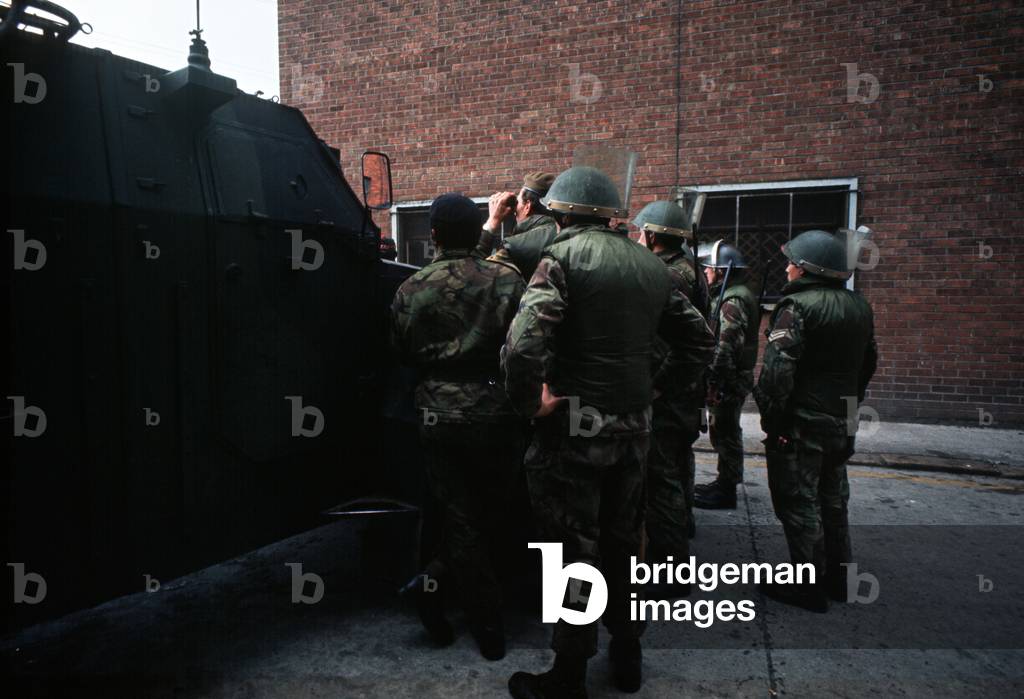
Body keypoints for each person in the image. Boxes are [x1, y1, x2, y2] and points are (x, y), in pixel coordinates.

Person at [502, 168, 714, 697]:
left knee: (575, 551)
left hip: (575, 433)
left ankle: (569, 673)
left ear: (562, 211)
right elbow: (700, 342)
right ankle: (627, 650)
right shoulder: (652, 265)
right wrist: (657, 389)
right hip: (635, 429)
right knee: (625, 543)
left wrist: (532, 402)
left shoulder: (562, 259)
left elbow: (524, 343)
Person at [390, 192, 526, 659]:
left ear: (432, 236)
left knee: (457, 512)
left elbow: (402, 352)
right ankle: (486, 621)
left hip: (436, 411)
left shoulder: (412, 287)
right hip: (495, 410)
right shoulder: (506, 280)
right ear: (476, 233)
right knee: (489, 512)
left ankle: (433, 581)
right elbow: (526, 346)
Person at [755, 229, 878, 612]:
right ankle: (839, 579)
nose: (788, 268)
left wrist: (773, 421)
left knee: (798, 501)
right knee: (833, 498)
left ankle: (805, 585)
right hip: (842, 420)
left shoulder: (796, 308)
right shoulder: (859, 306)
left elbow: (778, 374)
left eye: (793, 262)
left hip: (802, 423)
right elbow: (868, 362)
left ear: (808, 269)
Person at [633, 200, 710, 575]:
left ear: (650, 235)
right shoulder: (689, 268)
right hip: (686, 388)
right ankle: (683, 525)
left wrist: (658, 385)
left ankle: (669, 565)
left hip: (669, 387)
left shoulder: (667, 275)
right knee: (679, 462)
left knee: (661, 477)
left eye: (640, 231)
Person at [694, 240, 761, 510]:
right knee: (723, 430)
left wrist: (714, 382)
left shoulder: (732, 300)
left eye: (710, 269)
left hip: (729, 380)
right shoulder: (736, 292)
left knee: (726, 432)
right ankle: (724, 481)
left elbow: (725, 348)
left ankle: (727, 488)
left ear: (721, 272)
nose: (706, 273)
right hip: (733, 378)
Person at [478, 171, 558, 281]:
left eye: (518, 202)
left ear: (527, 206)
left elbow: (476, 272)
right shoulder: (569, 234)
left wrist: (492, 222)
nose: (515, 208)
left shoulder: (515, 246)